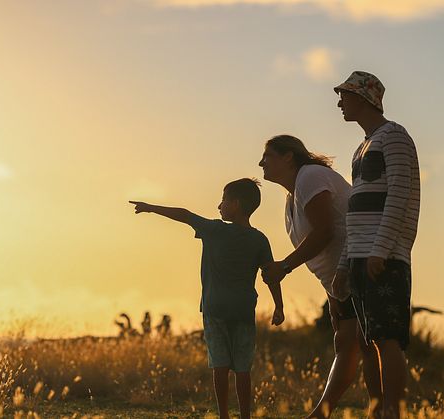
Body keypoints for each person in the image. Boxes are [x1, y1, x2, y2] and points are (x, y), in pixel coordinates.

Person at [130, 178, 283, 419]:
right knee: (243, 369)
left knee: (219, 366)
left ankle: (223, 415)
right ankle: (245, 416)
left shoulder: (215, 229)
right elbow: (271, 275)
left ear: (235, 204)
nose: (219, 206)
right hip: (243, 310)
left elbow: (184, 214)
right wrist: (279, 306)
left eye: (223, 200)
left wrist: (151, 207)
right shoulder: (259, 239)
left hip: (215, 309)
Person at [259, 135, 373, 418]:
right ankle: (328, 412)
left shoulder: (309, 176)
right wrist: (331, 293)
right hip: (340, 280)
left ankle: (373, 410)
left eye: (268, 155)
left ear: (288, 157)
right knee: (348, 343)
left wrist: (284, 266)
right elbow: (323, 246)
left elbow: (325, 232)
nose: (261, 162)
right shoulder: (292, 196)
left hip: (360, 264)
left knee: (368, 344)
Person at [332, 71, 421, 419]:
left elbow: (400, 194)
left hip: (383, 256)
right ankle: (377, 410)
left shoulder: (394, 136)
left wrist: (381, 249)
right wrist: (343, 265)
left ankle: (392, 413)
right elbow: (355, 212)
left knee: (387, 339)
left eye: (345, 95)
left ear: (364, 99)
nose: (340, 102)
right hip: (359, 256)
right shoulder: (361, 147)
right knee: (369, 342)